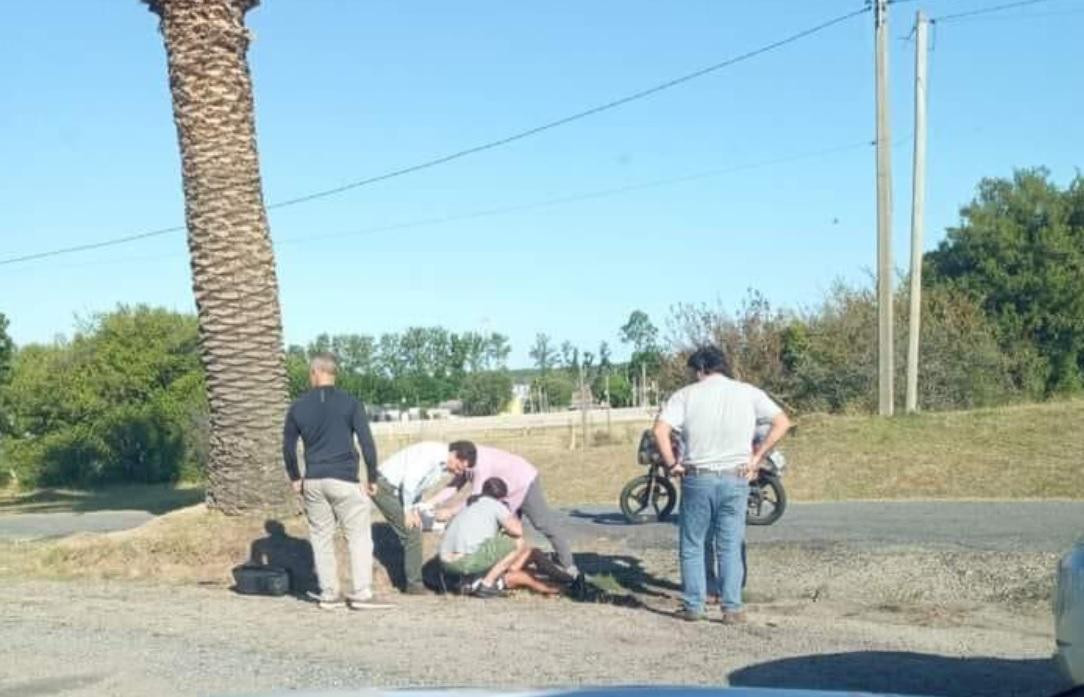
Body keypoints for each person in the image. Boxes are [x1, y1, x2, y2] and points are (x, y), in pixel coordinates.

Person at [654, 345, 791, 623]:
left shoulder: (686, 395)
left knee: (693, 543)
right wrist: (756, 458)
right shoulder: (748, 392)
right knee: (729, 543)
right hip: (736, 476)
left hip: (698, 476)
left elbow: (660, 430)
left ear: (701, 369)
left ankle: (694, 604)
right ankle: (732, 607)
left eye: (694, 371)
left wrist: (672, 464)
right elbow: (782, 422)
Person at [282, 352, 392, 611]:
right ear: (332, 373)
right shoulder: (351, 403)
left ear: (316, 372)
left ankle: (329, 594)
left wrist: (295, 477)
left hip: (314, 480)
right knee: (358, 536)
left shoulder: (297, 407)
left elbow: (287, 447)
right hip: (344, 478)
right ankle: (362, 593)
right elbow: (366, 443)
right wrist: (372, 477)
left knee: (321, 536)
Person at [423, 440, 580, 581]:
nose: (454, 470)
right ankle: (506, 568)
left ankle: (569, 566)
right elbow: (455, 485)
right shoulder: (466, 459)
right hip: (502, 491)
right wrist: (430, 503)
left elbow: (476, 499)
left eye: (457, 467)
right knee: (504, 531)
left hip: (523, 482)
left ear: (462, 460)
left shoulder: (481, 466)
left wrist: (450, 511)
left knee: (542, 523)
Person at [438, 477, 561, 598]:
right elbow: (517, 531)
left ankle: (563, 578)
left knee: (533, 553)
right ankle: (487, 584)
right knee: (518, 543)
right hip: (469, 564)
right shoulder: (495, 505)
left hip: (447, 562)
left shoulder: (470, 506)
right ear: (501, 497)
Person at [369, 441, 451, 594]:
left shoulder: (441, 465)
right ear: (456, 457)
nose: (459, 472)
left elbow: (417, 488)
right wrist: (408, 511)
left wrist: (415, 510)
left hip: (394, 489)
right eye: (461, 466)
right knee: (412, 531)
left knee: (415, 526)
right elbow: (410, 482)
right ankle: (414, 584)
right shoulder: (433, 456)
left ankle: (413, 580)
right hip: (385, 487)